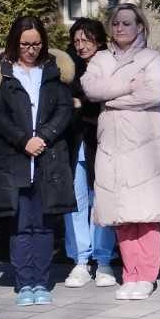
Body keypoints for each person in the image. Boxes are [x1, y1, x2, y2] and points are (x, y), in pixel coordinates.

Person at [81, 3, 160, 300]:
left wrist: (112, 98)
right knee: (122, 212)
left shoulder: (151, 58)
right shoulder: (99, 58)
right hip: (113, 144)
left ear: (140, 27)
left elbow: (154, 93)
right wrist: (127, 86)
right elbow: (91, 89)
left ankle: (147, 275)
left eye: (127, 23)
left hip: (145, 143)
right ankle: (130, 273)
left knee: (145, 212)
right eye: (116, 23)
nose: (120, 28)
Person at [0, 17, 76, 305]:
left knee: (44, 224)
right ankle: (25, 283)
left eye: (36, 44)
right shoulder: (3, 73)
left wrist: (43, 137)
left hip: (48, 158)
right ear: (14, 42)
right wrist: (24, 140)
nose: (31, 50)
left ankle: (41, 282)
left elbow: (64, 109)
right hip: (15, 159)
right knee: (21, 224)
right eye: (25, 44)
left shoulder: (53, 71)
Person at [63, 18, 117, 287]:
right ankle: (80, 260)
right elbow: (63, 101)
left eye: (87, 40)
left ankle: (104, 259)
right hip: (74, 142)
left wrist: (81, 104)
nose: (81, 46)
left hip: (103, 141)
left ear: (99, 40)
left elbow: (108, 100)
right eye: (77, 41)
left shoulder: (110, 63)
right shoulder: (66, 67)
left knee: (103, 200)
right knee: (75, 201)